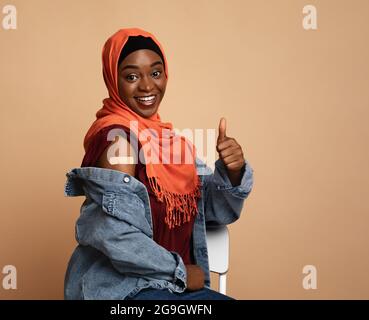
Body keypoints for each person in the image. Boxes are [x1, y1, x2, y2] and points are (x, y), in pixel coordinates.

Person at [63, 28, 254, 300]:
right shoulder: (119, 142)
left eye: (155, 73)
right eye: (131, 76)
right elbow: (115, 235)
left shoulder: (171, 143)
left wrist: (233, 173)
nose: (147, 86)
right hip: (125, 292)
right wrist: (179, 271)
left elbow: (211, 212)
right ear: (112, 80)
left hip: (171, 289)